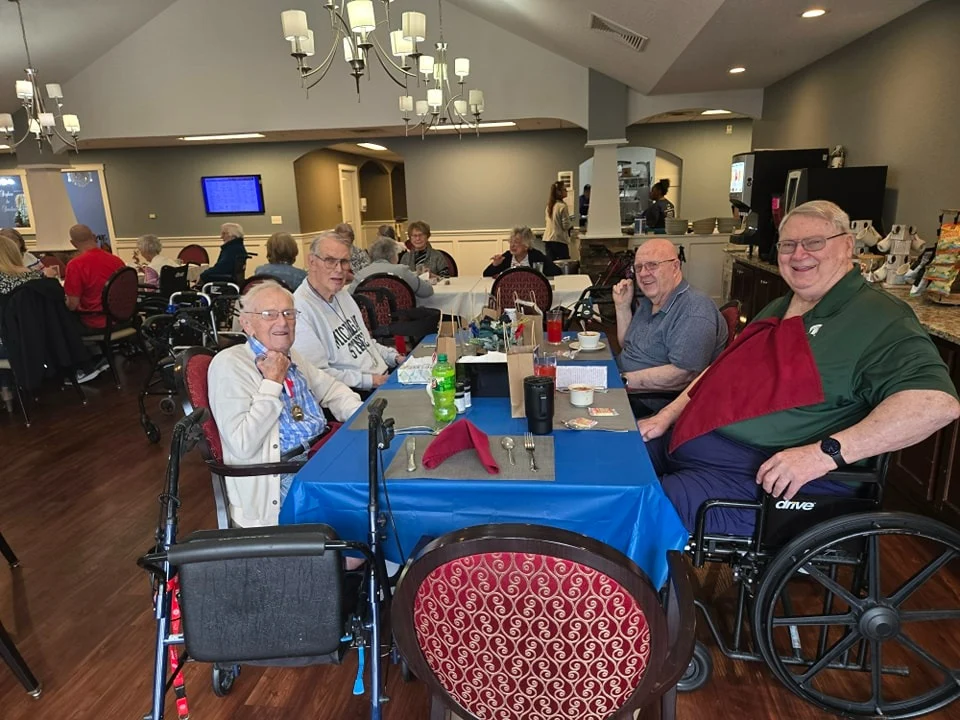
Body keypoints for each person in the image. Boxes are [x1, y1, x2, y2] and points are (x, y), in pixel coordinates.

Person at [638, 201, 960, 536]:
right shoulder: (780, 306)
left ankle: (618, 587)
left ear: (848, 245)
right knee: (610, 460)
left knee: (639, 512)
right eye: (788, 245)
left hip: (759, 478)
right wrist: (667, 416)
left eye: (814, 242)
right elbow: (720, 370)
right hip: (692, 443)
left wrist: (824, 455)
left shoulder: (880, 317)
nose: (798, 254)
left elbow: (936, 404)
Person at [207, 280, 362, 527]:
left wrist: (363, 416)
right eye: (269, 314)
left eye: (289, 313)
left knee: (384, 479)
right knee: (366, 514)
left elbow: (332, 389)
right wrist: (272, 383)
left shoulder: (290, 354)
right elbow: (242, 444)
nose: (282, 322)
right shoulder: (230, 364)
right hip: (283, 473)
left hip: (321, 453)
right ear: (247, 324)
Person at [614, 239, 727, 416]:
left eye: (652, 265)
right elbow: (628, 345)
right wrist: (622, 306)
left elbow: (684, 374)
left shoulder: (694, 310)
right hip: (624, 382)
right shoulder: (650, 300)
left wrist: (621, 381)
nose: (643, 273)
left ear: (675, 267)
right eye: (638, 267)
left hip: (648, 402)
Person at [293, 231, 404, 392]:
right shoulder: (300, 310)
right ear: (311, 262)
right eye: (330, 261)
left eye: (344, 261)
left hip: (382, 378)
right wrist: (372, 381)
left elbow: (364, 342)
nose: (339, 269)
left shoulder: (342, 294)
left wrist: (394, 357)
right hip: (356, 391)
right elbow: (318, 374)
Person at [63, 223, 125, 331]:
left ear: (73, 244)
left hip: (95, 322)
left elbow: (72, 305)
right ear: (94, 237)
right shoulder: (117, 261)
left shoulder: (75, 265)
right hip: (122, 318)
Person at [351, 236, 435, 299]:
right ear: (393, 255)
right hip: (403, 318)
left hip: (370, 320)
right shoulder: (402, 271)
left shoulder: (360, 274)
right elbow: (427, 291)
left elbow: (350, 297)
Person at [484, 226, 561, 278]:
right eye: (511, 242)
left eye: (516, 242)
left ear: (526, 245)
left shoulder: (536, 255)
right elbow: (486, 275)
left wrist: (537, 274)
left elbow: (557, 271)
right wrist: (495, 265)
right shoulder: (507, 257)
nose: (512, 245)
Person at [543, 180, 573, 261]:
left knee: (551, 264)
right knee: (563, 264)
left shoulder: (549, 206)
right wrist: (571, 223)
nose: (566, 191)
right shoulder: (562, 206)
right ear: (559, 192)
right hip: (559, 240)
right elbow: (565, 225)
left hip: (548, 239)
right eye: (564, 189)